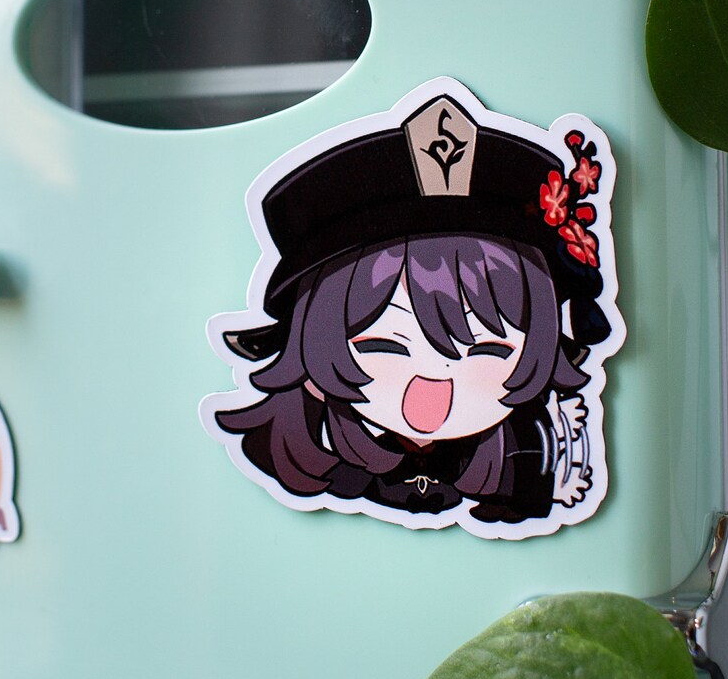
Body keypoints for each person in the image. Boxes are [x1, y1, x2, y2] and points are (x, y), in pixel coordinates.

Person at [203, 83, 623, 536]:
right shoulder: (292, 465)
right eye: (382, 345)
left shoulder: (538, 460)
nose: (431, 389)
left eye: (489, 350)